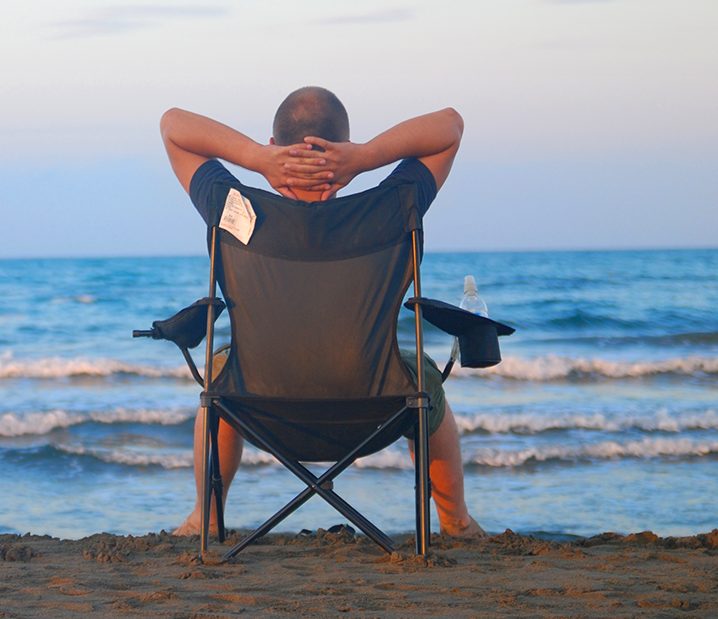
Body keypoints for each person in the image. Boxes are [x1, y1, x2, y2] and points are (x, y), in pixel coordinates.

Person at [160, 86, 486, 539]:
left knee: (221, 375)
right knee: (426, 380)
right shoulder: (393, 204)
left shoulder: (233, 208)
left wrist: (255, 159)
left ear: (275, 146)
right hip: (377, 411)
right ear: (344, 146)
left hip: (260, 411)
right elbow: (451, 124)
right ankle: (455, 523)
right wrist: (366, 157)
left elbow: (172, 125)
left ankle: (206, 518)